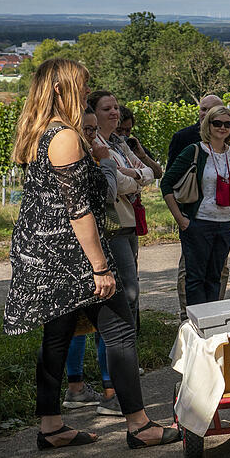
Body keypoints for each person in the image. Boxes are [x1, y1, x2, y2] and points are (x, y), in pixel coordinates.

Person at [6, 58, 179, 449]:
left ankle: (51, 427)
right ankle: (139, 425)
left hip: (42, 252)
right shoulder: (66, 137)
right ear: (60, 89)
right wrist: (100, 266)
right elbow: (78, 208)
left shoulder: (38, 133)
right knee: (119, 329)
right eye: (82, 86)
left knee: (58, 335)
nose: (86, 91)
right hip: (71, 257)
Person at [161, 105, 230, 307]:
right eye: (217, 123)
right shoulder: (195, 151)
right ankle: (197, 328)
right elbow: (166, 183)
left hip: (225, 225)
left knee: (215, 278)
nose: (222, 127)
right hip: (198, 224)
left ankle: (212, 325)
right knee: (195, 279)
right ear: (208, 125)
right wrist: (181, 220)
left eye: (227, 123)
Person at [63, 108, 117, 414]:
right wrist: (107, 161)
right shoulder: (82, 159)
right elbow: (109, 192)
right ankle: (111, 393)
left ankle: (77, 390)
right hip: (86, 252)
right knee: (108, 322)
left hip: (74, 251)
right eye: (87, 129)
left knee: (75, 324)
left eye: (94, 129)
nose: (93, 135)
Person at [89, 90, 154, 346]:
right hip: (112, 226)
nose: (115, 112)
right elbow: (114, 185)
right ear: (94, 113)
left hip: (128, 223)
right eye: (107, 109)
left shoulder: (119, 143)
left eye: (115, 107)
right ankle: (118, 350)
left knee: (131, 288)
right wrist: (132, 177)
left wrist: (131, 175)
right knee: (126, 291)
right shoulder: (95, 146)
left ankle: (125, 348)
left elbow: (148, 172)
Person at [168, 94, 228, 318]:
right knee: (190, 271)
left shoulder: (227, 139)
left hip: (221, 218)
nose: (205, 114)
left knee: (219, 269)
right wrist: (180, 217)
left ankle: (214, 312)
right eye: (203, 109)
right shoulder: (184, 138)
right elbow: (169, 181)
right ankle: (188, 316)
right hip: (193, 217)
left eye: (211, 111)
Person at [117, 105, 162, 178]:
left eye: (128, 130)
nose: (124, 134)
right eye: (119, 130)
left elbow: (158, 174)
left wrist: (143, 157)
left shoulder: (133, 147)